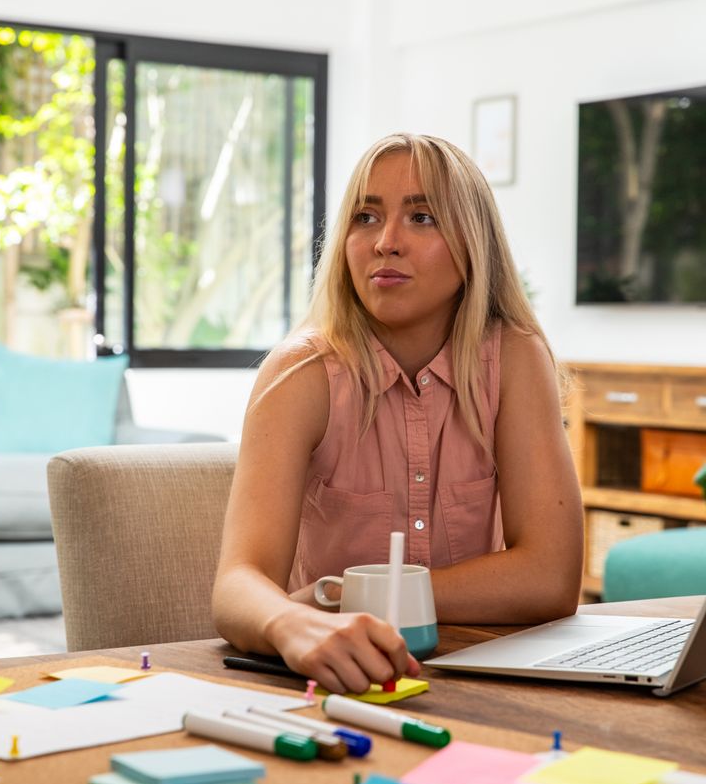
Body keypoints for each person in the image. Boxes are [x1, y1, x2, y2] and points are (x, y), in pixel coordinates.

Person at [212, 133, 583, 694]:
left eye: (423, 217)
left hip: (478, 676)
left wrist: (344, 593)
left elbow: (552, 579)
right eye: (366, 216)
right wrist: (297, 622)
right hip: (329, 681)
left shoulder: (513, 355)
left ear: (473, 244)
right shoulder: (300, 375)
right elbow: (237, 585)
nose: (385, 242)